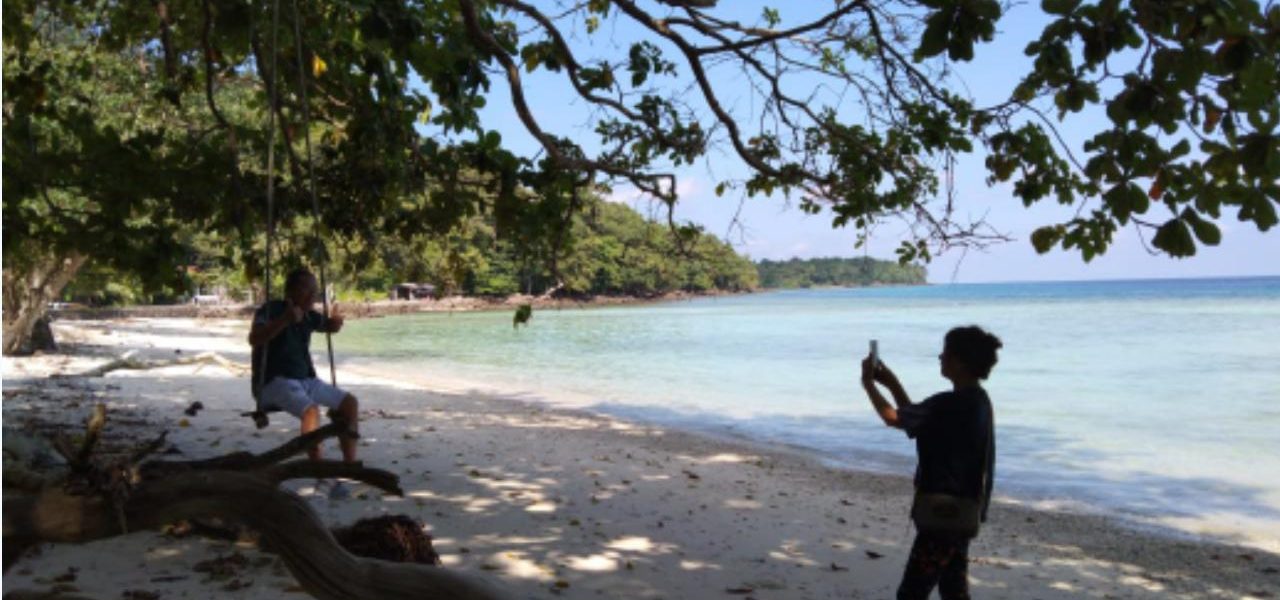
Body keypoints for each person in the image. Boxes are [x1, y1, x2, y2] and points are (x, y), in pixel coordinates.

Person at [860, 326, 1000, 600]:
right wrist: (891, 383)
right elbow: (915, 420)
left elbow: (894, 418)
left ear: (960, 362)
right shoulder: (979, 401)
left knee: (912, 593)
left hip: (943, 515)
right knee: (953, 590)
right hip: (965, 509)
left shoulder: (948, 404)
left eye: (946, 353)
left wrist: (868, 384)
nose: (940, 357)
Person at [249, 268, 359, 496]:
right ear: (291, 291)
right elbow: (254, 339)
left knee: (350, 404)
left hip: (306, 379)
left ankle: (350, 467)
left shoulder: (309, 316)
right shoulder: (271, 309)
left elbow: (329, 327)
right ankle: (319, 474)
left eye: (315, 291)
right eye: (308, 290)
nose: (313, 296)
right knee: (311, 412)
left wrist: (336, 323)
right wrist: (285, 320)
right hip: (274, 381)